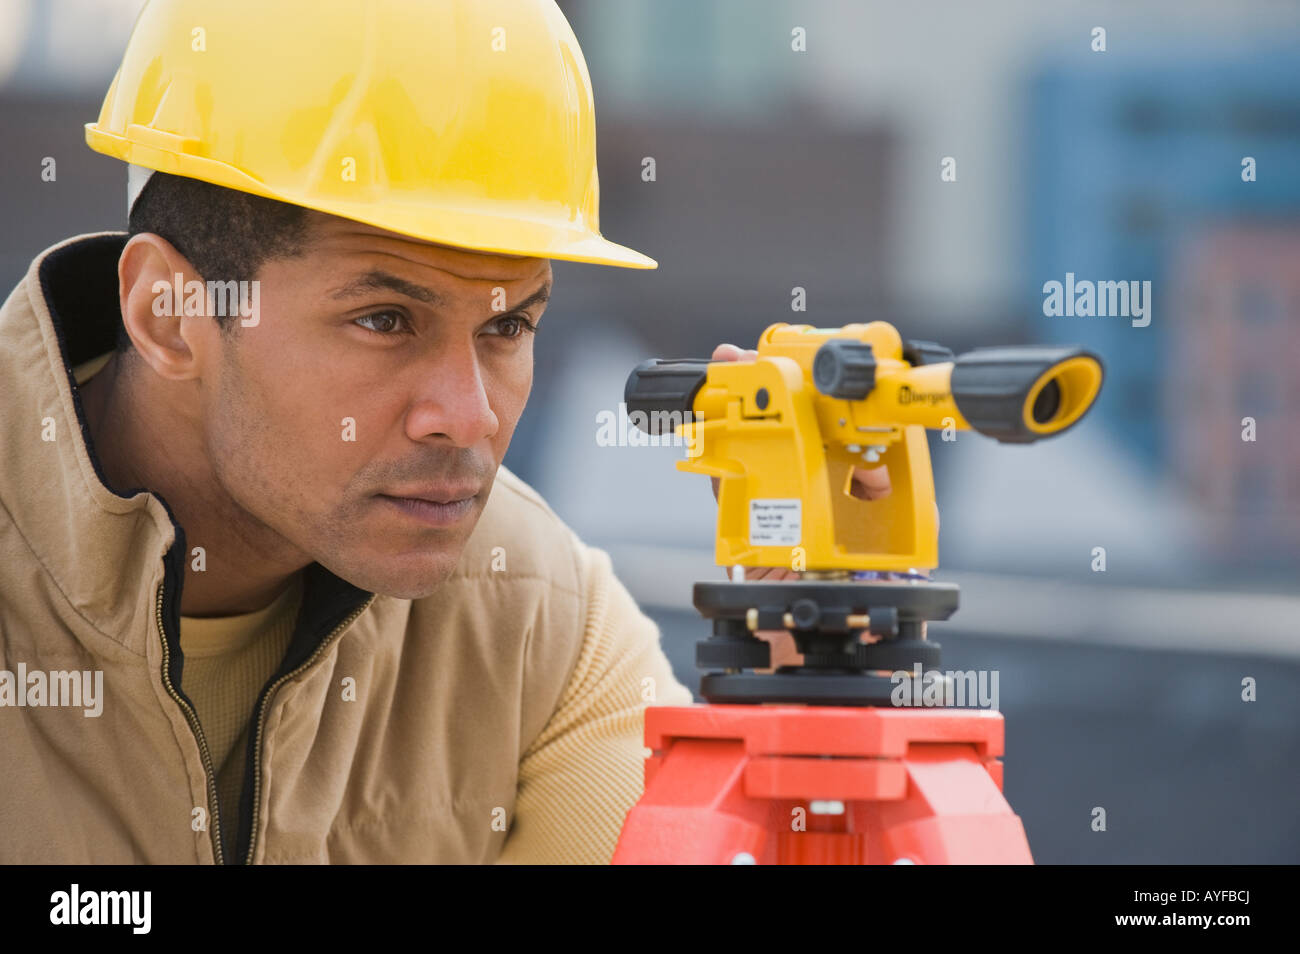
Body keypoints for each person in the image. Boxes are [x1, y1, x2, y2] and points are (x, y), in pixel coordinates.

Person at [0, 0, 696, 865]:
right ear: (168, 316)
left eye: (508, 326)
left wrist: (794, 733)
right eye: (384, 320)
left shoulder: (544, 623)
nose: (469, 415)